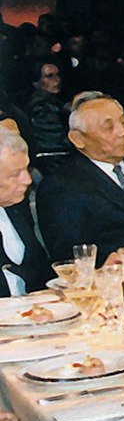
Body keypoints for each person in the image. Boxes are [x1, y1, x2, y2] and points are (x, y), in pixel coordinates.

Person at [34, 92, 124, 262]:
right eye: (108, 127)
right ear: (78, 139)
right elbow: (72, 255)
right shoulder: (62, 186)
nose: (122, 132)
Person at [0, 125, 53, 294]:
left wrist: (86, 275)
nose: (28, 180)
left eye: (27, 169)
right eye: (15, 174)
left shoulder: (16, 208)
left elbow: (40, 273)